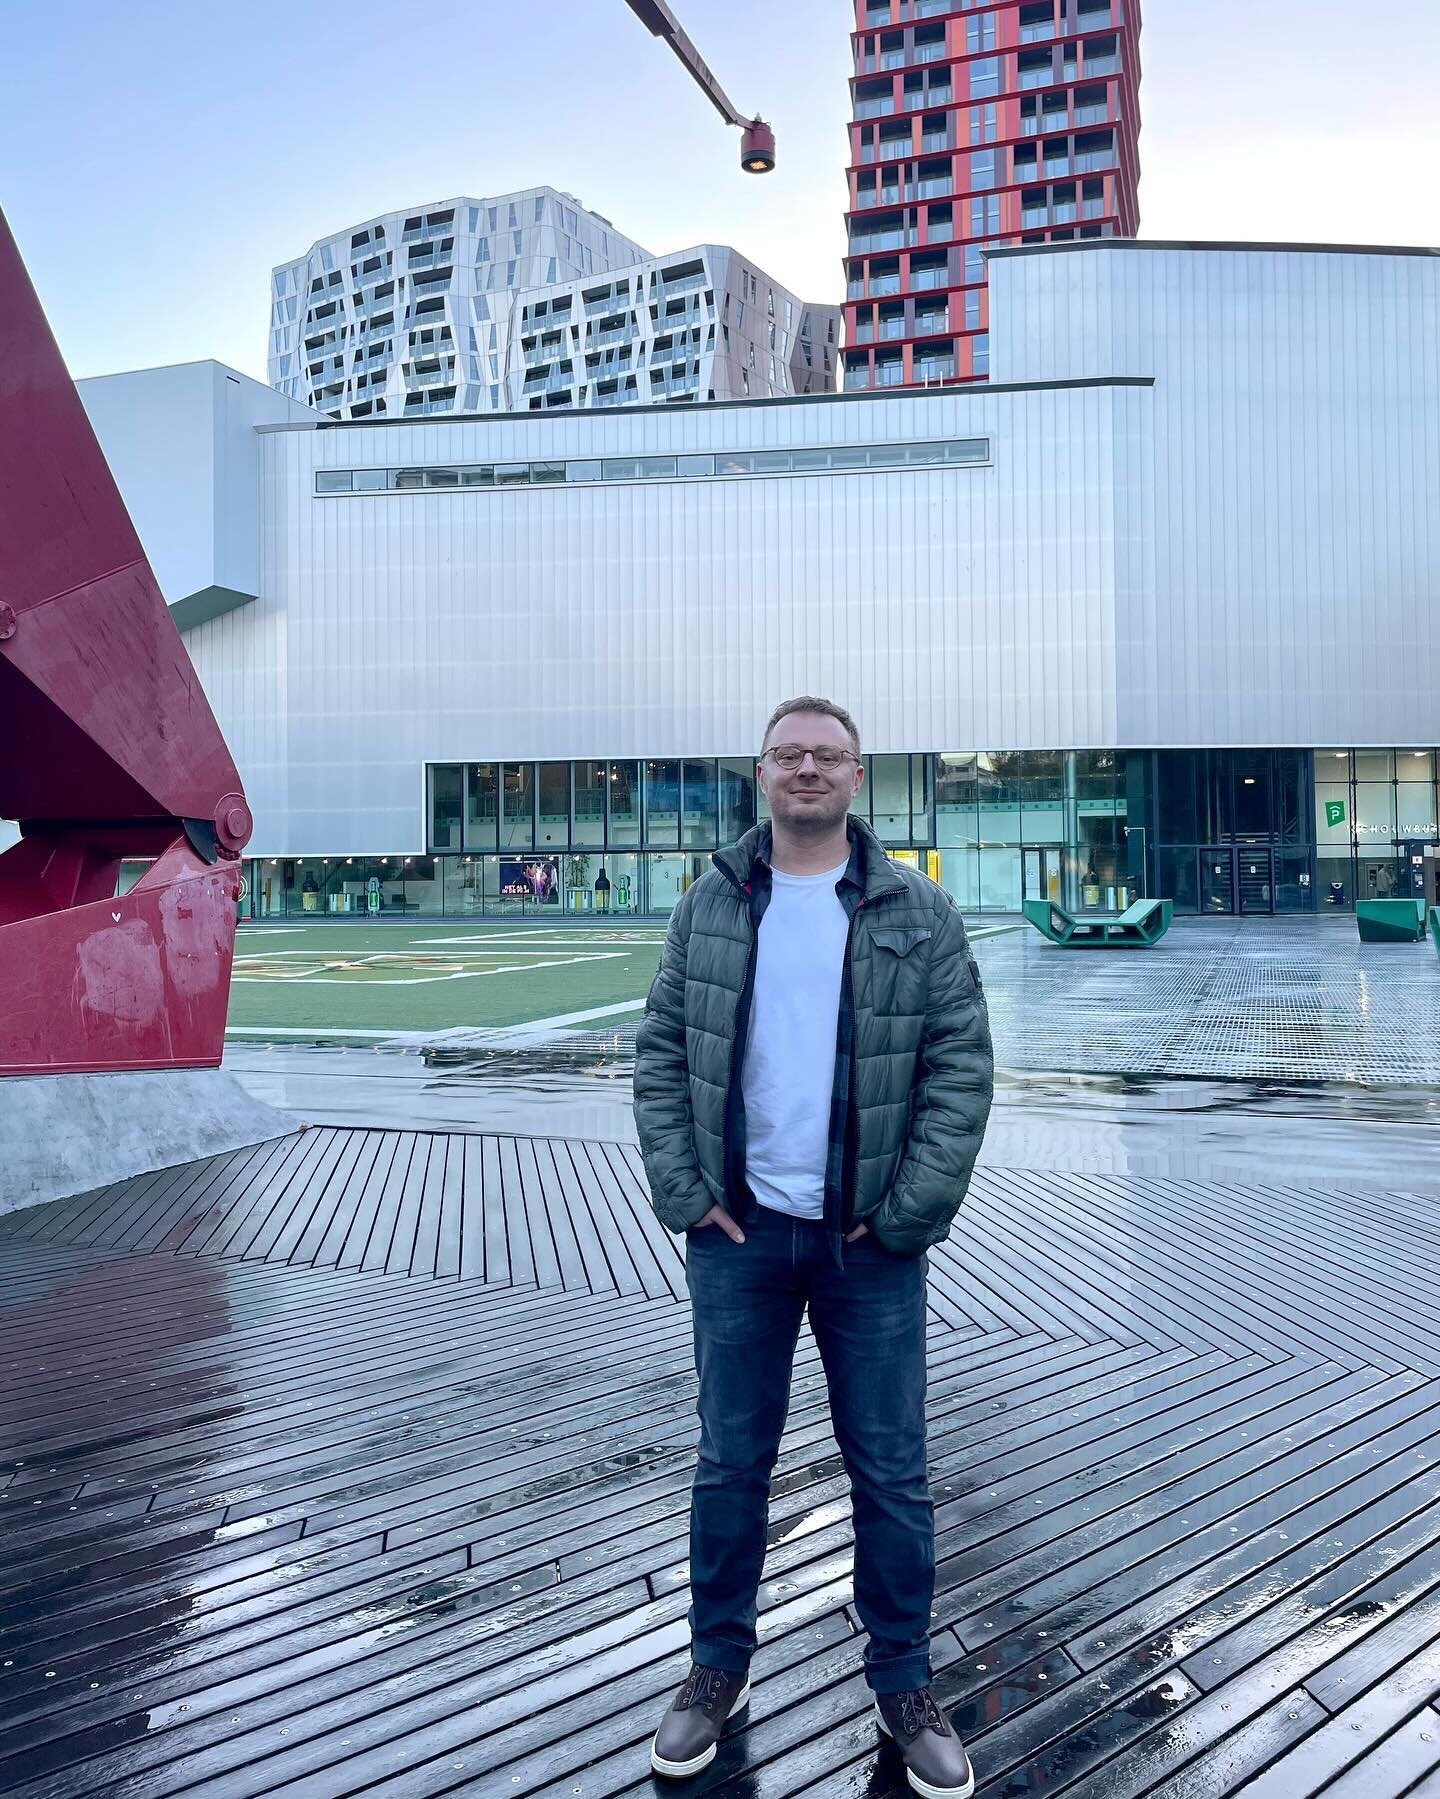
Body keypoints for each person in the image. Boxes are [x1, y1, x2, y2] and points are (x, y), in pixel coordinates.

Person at [634, 697, 994, 1796]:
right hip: (739, 1236)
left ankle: (903, 1678)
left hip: (869, 1245)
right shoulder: (710, 901)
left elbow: (961, 1072)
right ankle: (715, 1667)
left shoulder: (915, 909)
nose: (806, 770)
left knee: (892, 1467)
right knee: (729, 1460)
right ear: (761, 771)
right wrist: (687, 1192)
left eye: (826, 755)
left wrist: (904, 1217)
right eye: (788, 754)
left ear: (856, 774)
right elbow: (657, 1051)